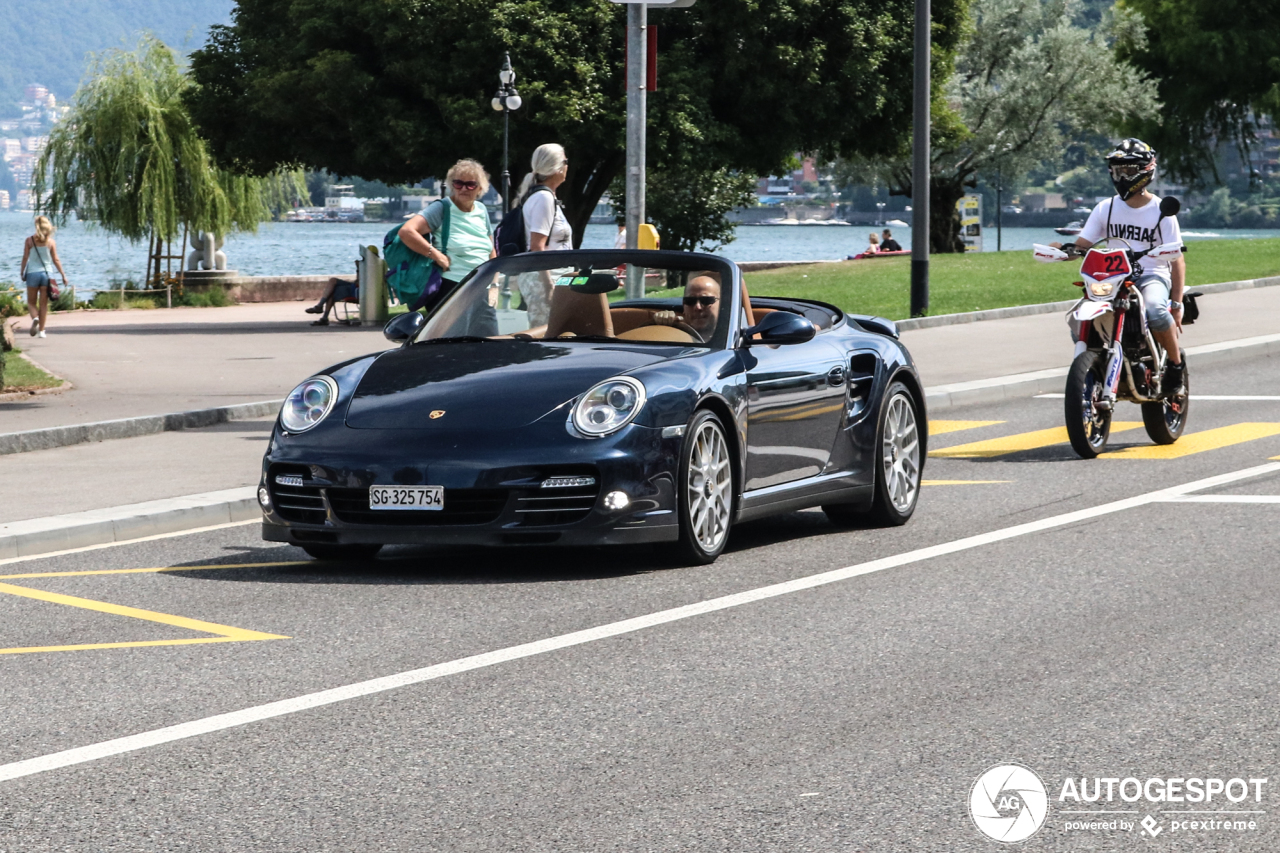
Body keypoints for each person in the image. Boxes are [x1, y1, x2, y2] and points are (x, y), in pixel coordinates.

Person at [1054, 138, 1186, 394]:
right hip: (1110, 276)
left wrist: (1177, 305)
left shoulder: (1161, 210)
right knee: (1079, 317)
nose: (1123, 176)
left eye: (1129, 170)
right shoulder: (1106, 208)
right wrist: (1062, 251)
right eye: (1118, 170)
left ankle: (1175, 366)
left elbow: (1177, 258)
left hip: (1151, 275)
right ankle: (1095, 363)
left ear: (1146, 171)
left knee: (1157, 312)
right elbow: (1083, 244)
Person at [397, 159, 499, 326]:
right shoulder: (442, 208)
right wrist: (437, 255)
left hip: (481, 288)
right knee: (454, 345)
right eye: (458, 183)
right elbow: (407, 232)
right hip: (451, 288)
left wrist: (494, 283)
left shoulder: (481, 210)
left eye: (470, 185)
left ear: (480, 188)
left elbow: (490, 250)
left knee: (489, 342)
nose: (464, 188)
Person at [516, 143, 572, 326]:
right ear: (556, 168)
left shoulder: (544, 196)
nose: (567, 166)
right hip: (546, 280)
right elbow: (537, 246)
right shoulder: (544, 198)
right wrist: (549, 286)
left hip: (554, 277)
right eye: (565, 161)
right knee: (548, 336)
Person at [20, 215, 68, 338]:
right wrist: (63, 275)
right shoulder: (51, 242)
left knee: (31, 302)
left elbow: (25, 258)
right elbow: (56, 259)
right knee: (43, 304)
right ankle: (41, 331)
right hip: (47, 274)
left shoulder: (29, 240)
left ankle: (35, 318)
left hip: (32, 273)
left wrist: (22, 272)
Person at [653, 273, 721, 342]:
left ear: (721, 304)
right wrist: (662, 323)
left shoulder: (730, 338)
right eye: (690, 301)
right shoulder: (674, 334)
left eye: (706, 300)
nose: (697, 307)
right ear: (683, 305)